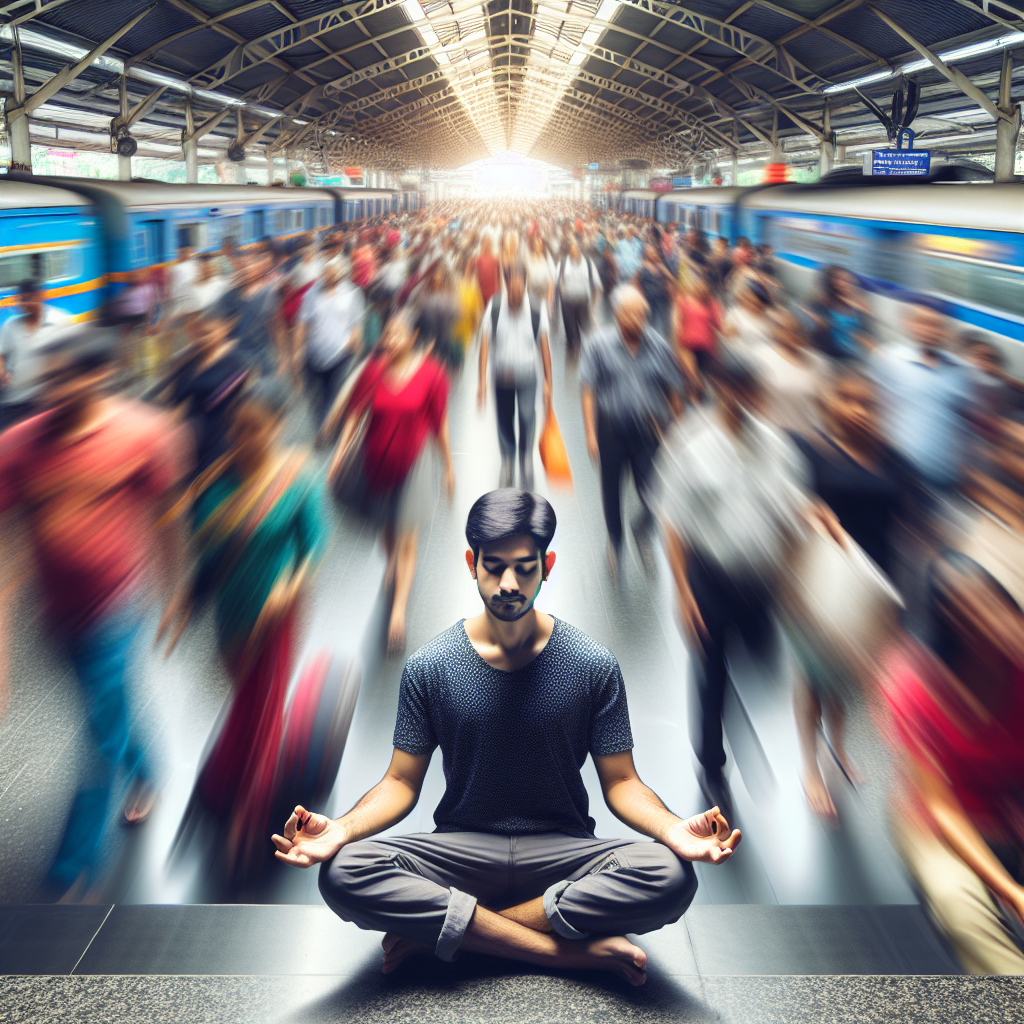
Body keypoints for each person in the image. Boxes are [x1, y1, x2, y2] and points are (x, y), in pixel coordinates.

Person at [272, 489, 741, 983]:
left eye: (525, 567)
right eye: (494, 567)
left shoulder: (592, 664)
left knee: (670, 875)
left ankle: (452, 932)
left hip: (561, 852)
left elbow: (622, 782)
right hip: (462, 851)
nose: (509, 583)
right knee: (344, 870)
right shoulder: (430, 667)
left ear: (548, 564)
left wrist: (669, 829)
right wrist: (342, 830)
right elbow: (401, 782)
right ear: (471, 563)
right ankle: (561, 953)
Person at [0, 328, 188, 898]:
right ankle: (149, 770)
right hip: (55, 612)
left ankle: (75, 861)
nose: (52, 390)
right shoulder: (19, 444)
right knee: (109, 707)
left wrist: (177, 592)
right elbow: (7, 535)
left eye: (66, 377)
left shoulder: (145, 433)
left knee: (99, 731)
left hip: (117, 604)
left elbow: (169, 516)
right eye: (48, 377)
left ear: (99, 376)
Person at [655, 353, 832, 816]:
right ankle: (712, 770)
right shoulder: (689, 442)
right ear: (719, 388)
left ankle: (729, 700)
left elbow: (794, 501)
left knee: (758, 661)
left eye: (749, 390)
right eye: (733, 389)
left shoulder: (775, 444)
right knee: (710, 673)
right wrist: (682, 590)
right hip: (710, 577)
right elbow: (673, 520)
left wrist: (811, 513)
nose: (742, 399)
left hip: (761, 581)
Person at [166, 378, 326, 875]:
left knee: (263, 711)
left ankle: (250, 815)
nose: (244, 436)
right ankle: (243, 778)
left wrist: (288, 587)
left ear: (277, 426)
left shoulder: (297, 479)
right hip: (231, 617)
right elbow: (207, 558)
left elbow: (314, 547)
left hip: (274, 615)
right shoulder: (215, 485)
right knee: (246, 701)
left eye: (255, 427)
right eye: (238, 427)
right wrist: (184, 604)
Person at [880, 553, 1024, 974]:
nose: (988, 621)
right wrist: (1011, 892)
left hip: (1006, 809)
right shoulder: (913, 682)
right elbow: (942, 807)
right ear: (949, 625)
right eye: (969, 612)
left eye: (994, 605)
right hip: (936, 826)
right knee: (959, 907)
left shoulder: (1016, 668)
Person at [789, 369, 907, 821]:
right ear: (831, 403)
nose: (858, 409)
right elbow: (790, 504)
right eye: (848, 399)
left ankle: (837, 746)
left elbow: (902, 522)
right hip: (820, 580)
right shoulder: (812, 451)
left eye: (867, 401)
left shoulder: (889, 458)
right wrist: (810, 513)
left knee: (844, 675)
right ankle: (808, 764)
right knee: (812, 674)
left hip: (872, 584)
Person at [332, 312, 454, 654]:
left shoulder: (432, 374)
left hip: (414, 463)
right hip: (376, 462)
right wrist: (340, 455)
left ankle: (398, 610)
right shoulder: (372, 371)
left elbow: (439, 422)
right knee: (386, 530)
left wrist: (448, 466)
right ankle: (390, 566)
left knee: (407, 539)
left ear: (413, 337)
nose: (389, 339)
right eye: (387, 333)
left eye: (397, 333)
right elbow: (355, 414)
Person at [580, 284, 683, 576]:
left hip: (649, 431)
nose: (638, 320)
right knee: (611, 490)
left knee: (654, 493)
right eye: (631, 314)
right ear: (617, 314)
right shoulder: (598, 344)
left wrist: (675, 430)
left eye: (643, 314)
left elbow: (674, 389)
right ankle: (615, 542)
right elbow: (588, 389)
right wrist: (590, 432)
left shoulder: (659, 345)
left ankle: (642, 529)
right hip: (611, 430)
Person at [477, 264, 553, 490]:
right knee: (504, 418)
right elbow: (484, 343)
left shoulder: (537, 310)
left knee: (528, 416)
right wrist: (482, 380)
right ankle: (508, 460)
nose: (516, 295)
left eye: (520, 289)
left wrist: (549, 382)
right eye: (512, 290)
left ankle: (525, 458)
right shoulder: (495, 307)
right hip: (501, 377)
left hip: (528, 376)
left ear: (526, 285)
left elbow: (544, 346)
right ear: (506, 286)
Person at [169, 314, 249, 474]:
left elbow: (215, 400)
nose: (202, 338)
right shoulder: (189, 361)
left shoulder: (236, 364)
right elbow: (176, 399)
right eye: (199, 333)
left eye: (208, 332)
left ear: (224, 330)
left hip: (220, 437)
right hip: (188, 438)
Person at [296, 259, 365, 430]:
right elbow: (302, 324)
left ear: (341, 271)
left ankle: (326, 429)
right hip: (314, 356)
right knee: (318, 396)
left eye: (335, 270)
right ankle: (326, 422)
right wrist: (297, 353)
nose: (332, 273)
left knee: (335, 395)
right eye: (328, 270)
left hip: (342, 355)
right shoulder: (311, 294)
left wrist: (357, 352)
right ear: (323, 272)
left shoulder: (352, 293)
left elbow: (356, 325)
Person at [0, 279, 70, 429]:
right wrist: (2, 371)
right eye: (20, 299)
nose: (22, 304)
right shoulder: (10, 325)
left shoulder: (60, 322)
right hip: (14, 398)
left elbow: (69, 358)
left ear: (40, 297)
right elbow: (1, 353)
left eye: (27, 298)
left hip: (45, 400)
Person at [753, 310, 828, 439]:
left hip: (809, 438)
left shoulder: (818, 362)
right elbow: (753, 399)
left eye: (799, 330)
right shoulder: (760, 356)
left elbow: (824, 404)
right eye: (787, 329)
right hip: (772, 435)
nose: (793, 334)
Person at [212, 250, 284, 378]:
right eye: (240, 267)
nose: (244, 270)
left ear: (258, 269)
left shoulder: (267, 294)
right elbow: (218, 329)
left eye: (248, 265)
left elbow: (276, 326)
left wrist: (281, 356)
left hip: (261, 357)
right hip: (236, 359)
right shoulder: (228, 297)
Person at [808, 266, 874, 362]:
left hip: (856, 356)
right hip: (832, 356)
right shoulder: (821, 304)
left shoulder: (860, 307)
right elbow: (816, 336)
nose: (843, 283)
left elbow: (867, 335)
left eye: (847, 281)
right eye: (839, 279)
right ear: (830, 282)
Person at [672, 271, 720, 397]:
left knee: (709, 376)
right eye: (698, 284)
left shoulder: (712, 303)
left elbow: (719, 326)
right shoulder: (683, 300)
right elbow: (677, 321)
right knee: (691, 377)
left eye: (704, 285)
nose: (700, 287)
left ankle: (702, 394)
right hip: (687, 345)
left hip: (706, 346)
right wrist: (677, 340)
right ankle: (694, 396)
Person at [557, 238, 600, 360]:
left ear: (580, 250)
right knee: (571, 326)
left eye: (576, 249)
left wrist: (593, 306)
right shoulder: (563, 263)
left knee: (585, 327)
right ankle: (574, 347)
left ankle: (587, 349)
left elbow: (597, 286)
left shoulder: (588, 264)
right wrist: (563, 294)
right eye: (571, 249)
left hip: (583, 301)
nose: (573, 251)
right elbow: (558, 281)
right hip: (568, 301)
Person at [637, 245, 674, 341]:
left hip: (662, 300)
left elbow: (671, 279)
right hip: (649, 300)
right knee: (650, 323)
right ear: (646, 254)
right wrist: (640, 298)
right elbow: (636, 283)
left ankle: (662, 341)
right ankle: (650, 341)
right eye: (650, 252)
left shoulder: (660, 266)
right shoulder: (642, 267)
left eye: (654, 252)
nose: (654, 254)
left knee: (663, 323)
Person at [476, 234, 501, 310]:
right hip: (482, 289)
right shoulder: (478, 257)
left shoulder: (495, 256)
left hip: (493, 288)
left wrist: (499, 288)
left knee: (494, 308)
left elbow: (499, 273)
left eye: (488, 242)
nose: (487, 245)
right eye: (485, 243)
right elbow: (476, 274)